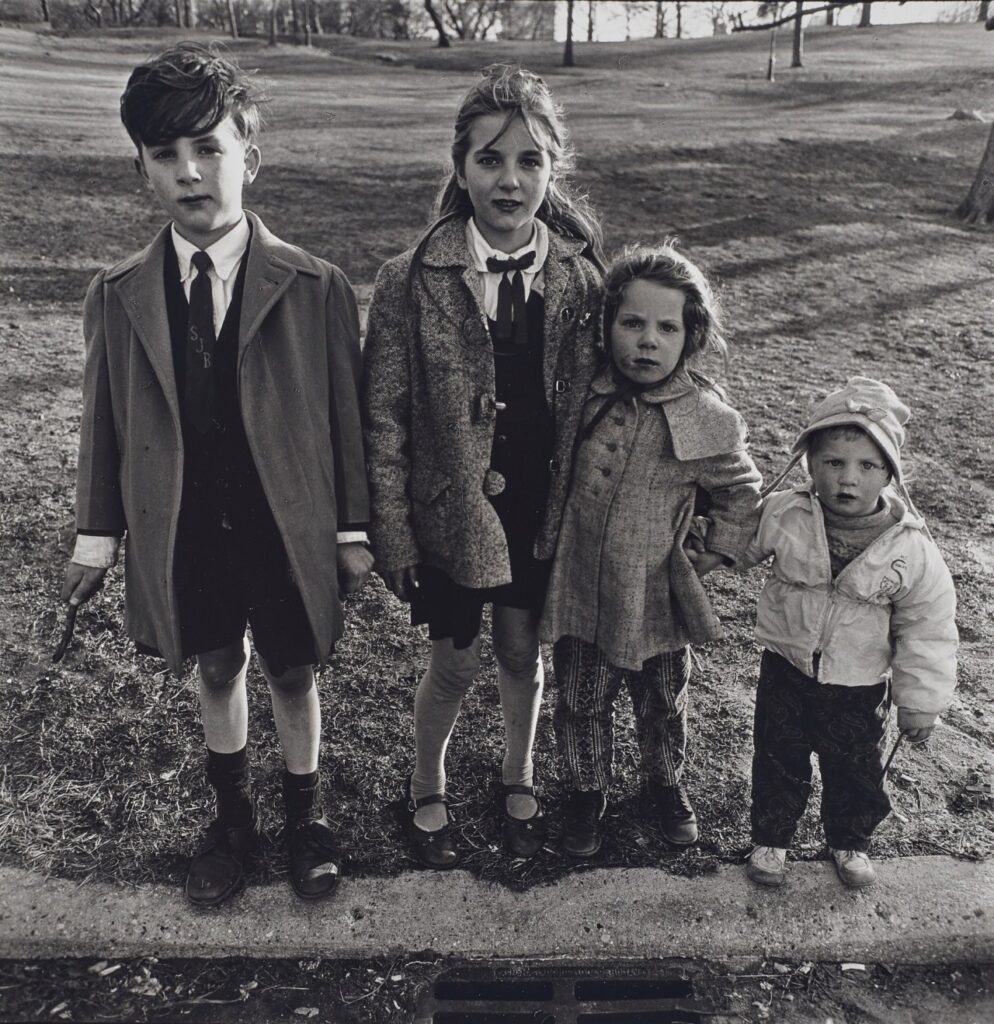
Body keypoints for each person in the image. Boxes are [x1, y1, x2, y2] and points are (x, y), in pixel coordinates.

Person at [60, 42, 373, 906]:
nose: (190, 173)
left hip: (284, 521)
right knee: (217, 668)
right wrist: (96, 539)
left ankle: (305, 816)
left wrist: (351, 530)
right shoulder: (118, 294)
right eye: (166, 157)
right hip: (188, 522)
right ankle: (232, 819)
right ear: (142, 171)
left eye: (209, 149)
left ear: (251, 158)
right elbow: (106, 428)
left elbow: (347, 425)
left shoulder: (316, 287)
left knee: (292, 669)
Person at [361, 64, 604, 868]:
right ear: (459, 168)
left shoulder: (583, 280)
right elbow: (385, 417)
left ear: (552, 170)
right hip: (454, 510)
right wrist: (393, 533)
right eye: (490, 160)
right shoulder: (408, 280)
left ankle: (517, 770)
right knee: (457, 658)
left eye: (529, 161)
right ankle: (425, 779)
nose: (510, 180)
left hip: (540, 506)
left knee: (519, 651)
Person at [541, 243, 763, 857]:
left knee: (662, 699)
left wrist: (713, 552)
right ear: (608, 324)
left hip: (658, 598)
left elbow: (741, 491)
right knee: (581, 699)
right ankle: (587, 790)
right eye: (632, 323)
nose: (647, 341)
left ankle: (665, 783)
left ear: (690, 336)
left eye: (667, 328)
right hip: (582, 585)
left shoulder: (706, 416)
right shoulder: (582, 396)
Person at [741, 377, 958, 889]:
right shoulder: (787, 512)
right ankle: (772, 836)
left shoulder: (911, 548)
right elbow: (740, 543)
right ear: (809, 464)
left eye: (867, 465)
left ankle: (850, 840)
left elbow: (927, 628)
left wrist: (920, 700)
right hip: (787, 669)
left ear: (889, 473)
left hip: (858, 686)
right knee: (777, 757)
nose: (847, 478)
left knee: (854, 769)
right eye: (833, 462)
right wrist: (708, 548)